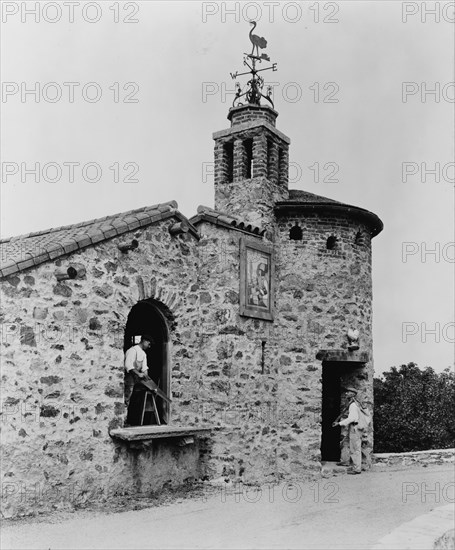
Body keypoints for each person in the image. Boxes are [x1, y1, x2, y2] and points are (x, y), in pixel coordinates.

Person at [332, 386, 362, 474]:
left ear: (352, 394)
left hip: (354, 428)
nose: (346, 394)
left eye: (348, 392)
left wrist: (339, 423)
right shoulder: (354, 404)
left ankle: (357, 469)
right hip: (353, 427)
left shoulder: (353, 405)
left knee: (355, 448)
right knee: (347, 443)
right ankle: (345, 461)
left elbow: (352, 418)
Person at [124, 335, 153, 409]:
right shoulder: (132, 350)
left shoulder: (143, 354)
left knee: (136, 399)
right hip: (128, 378)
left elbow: (144, 368)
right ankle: (124, 417)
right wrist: (138, 373)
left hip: (135, 379)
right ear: (144, 341)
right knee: (126, 399)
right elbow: (128, 365)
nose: (149, 347)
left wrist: (146, 375)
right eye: (149, 344)